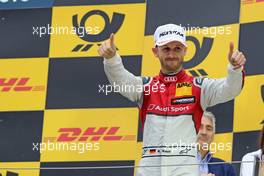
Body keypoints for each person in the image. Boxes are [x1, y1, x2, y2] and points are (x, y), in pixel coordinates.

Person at [98, 23, 246, 176]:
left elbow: (230, 89)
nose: (172, 54)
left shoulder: (199, 87)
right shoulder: (146, 87)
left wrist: (235, 69)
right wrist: (111, 59)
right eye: (166, 49)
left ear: (185, 51)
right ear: (155, 51)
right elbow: (122, 81)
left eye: (177, 48)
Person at [197, 111, 236, 176]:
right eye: (200, 127)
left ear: (213, 135)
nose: (204, 132)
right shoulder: (176, 163)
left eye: (208, 129)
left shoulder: (226, 169)